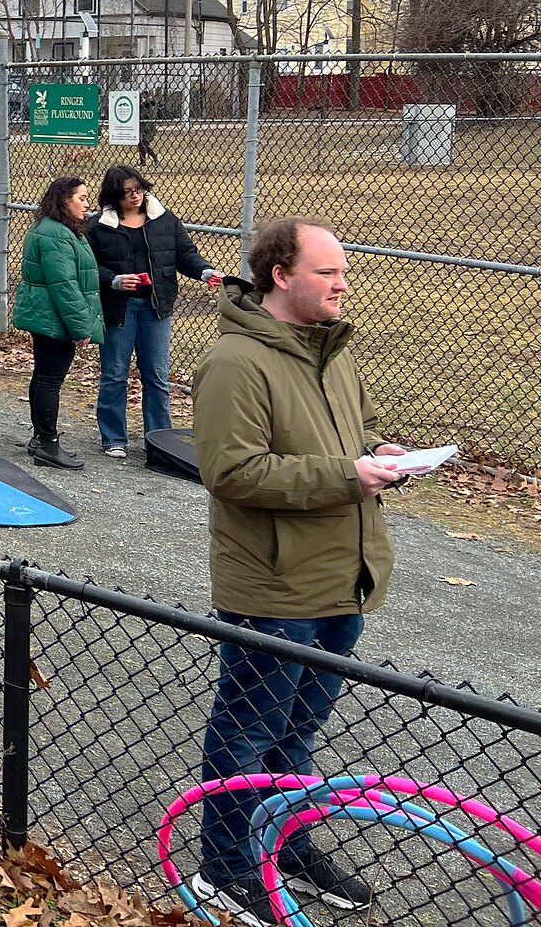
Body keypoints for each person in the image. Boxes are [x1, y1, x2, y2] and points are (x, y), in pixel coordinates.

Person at [189, 220, 404, 923]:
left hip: (345, 578)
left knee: (297, 734)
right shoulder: (235, 364)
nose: (344, 283)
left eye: (343, 271)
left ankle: (283, 843)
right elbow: (231, 471)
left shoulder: (333, 353)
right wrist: (348, 474)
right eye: (329, 271)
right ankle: (224, 868)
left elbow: (354, 438)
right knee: (249, 731)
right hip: (275, 585)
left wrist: (380, 454)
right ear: (281, 275)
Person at [88, 166, 224, 459]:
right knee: (114, 374)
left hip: (156, 307)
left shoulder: (164, 219)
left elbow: (185, 254)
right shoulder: (98, 226)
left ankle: (161, 441)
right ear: (114, 195)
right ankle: (113, 438)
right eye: (128, 192)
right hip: (118, 309)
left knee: (157, 377)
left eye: (139, 189)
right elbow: (88, 267)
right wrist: (114, 280)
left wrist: (204, 271)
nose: (136, 196)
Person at [11, 175, 100, 470]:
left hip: (45, 314)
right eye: (82, 198)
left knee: (43, 375)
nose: (87, 205)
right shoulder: (56, 235)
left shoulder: (55, 229)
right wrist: (80, 326)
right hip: (54, 317)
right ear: (64, 200)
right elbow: (64, 284)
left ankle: (40, 438)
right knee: (50, 379)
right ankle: (48, 443)